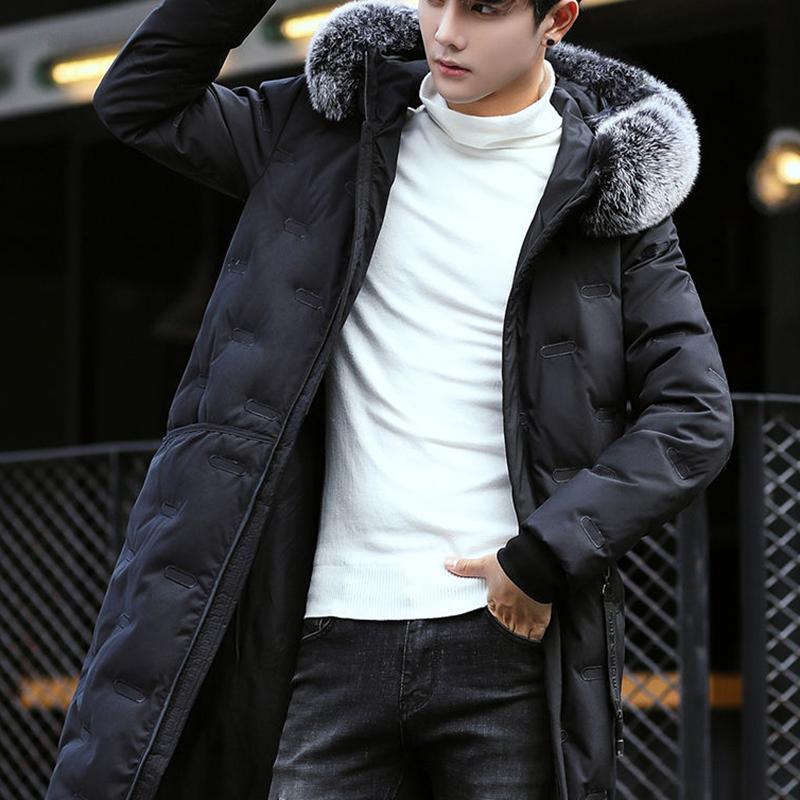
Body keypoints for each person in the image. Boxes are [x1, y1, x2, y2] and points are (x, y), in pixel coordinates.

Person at [46, 0, 734, 798]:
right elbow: (141, 100)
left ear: (558, 20)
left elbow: (693, 415)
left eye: (484, 8)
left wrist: (545, 555)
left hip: (507, 638)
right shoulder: (328, 134)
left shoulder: (605, 193)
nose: (447, 31)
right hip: (322, 631)